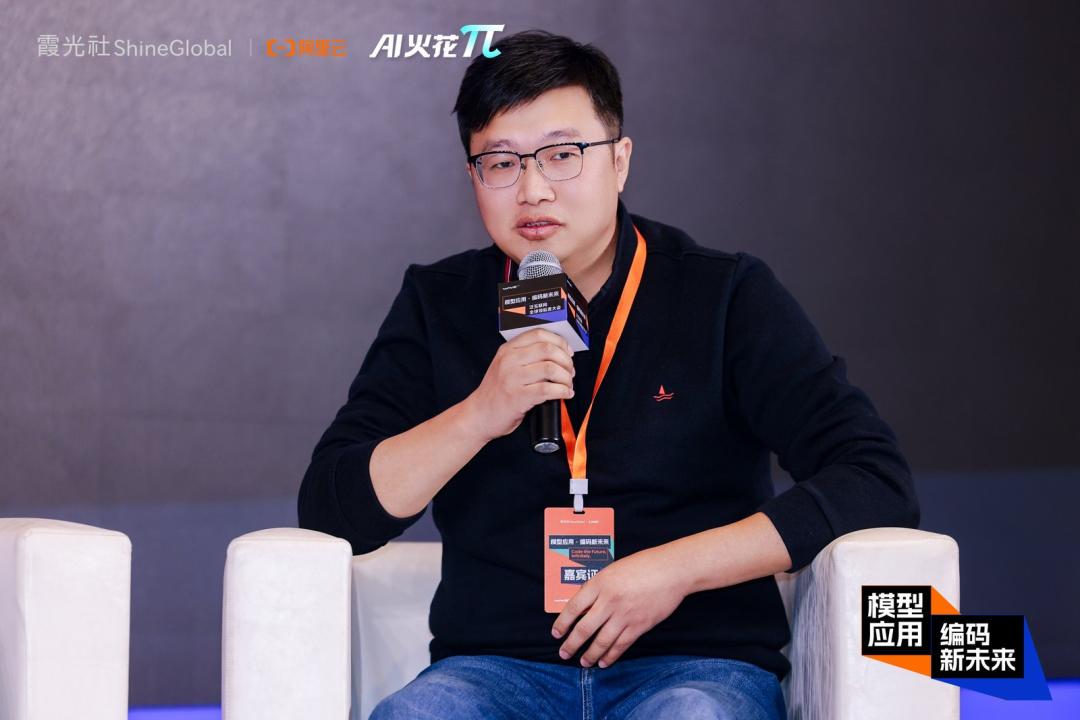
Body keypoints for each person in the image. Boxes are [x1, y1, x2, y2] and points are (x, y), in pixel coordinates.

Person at [298, 30, 919, 720]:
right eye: (500, 163)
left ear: (619, 161)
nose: (533, 190)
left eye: (562, 155)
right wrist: (478, 414)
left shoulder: (722, 295)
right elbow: (331, 510)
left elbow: (873, 479)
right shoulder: (439, 303)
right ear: (473, 176)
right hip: (493, 673)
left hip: (695, 666)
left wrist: (674, 569)